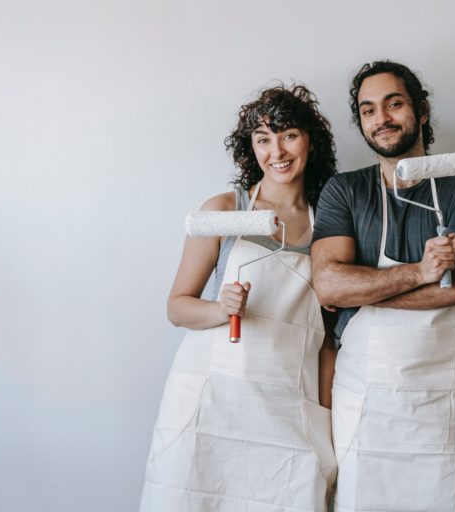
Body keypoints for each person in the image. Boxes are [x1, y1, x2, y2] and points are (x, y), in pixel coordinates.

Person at [140, 84, 339, 511]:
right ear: (251, 148)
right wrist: (219, 308)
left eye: (288, 135)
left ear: (310, 140)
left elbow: (327, 340)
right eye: (263, 139)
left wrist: (325, 420)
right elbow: (177, 305)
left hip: (288, 408)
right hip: (212, 406)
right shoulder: (223, 211)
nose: (277, 151)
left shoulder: (331, 222)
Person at [311, 61, 455, 511]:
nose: (382, 118)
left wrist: (368, 289)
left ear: (422, 110)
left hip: (438, 399)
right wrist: (419, 272)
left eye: (394, 103)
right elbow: (329, 286)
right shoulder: (344, 191)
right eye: (369, 110)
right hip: (364, 393)